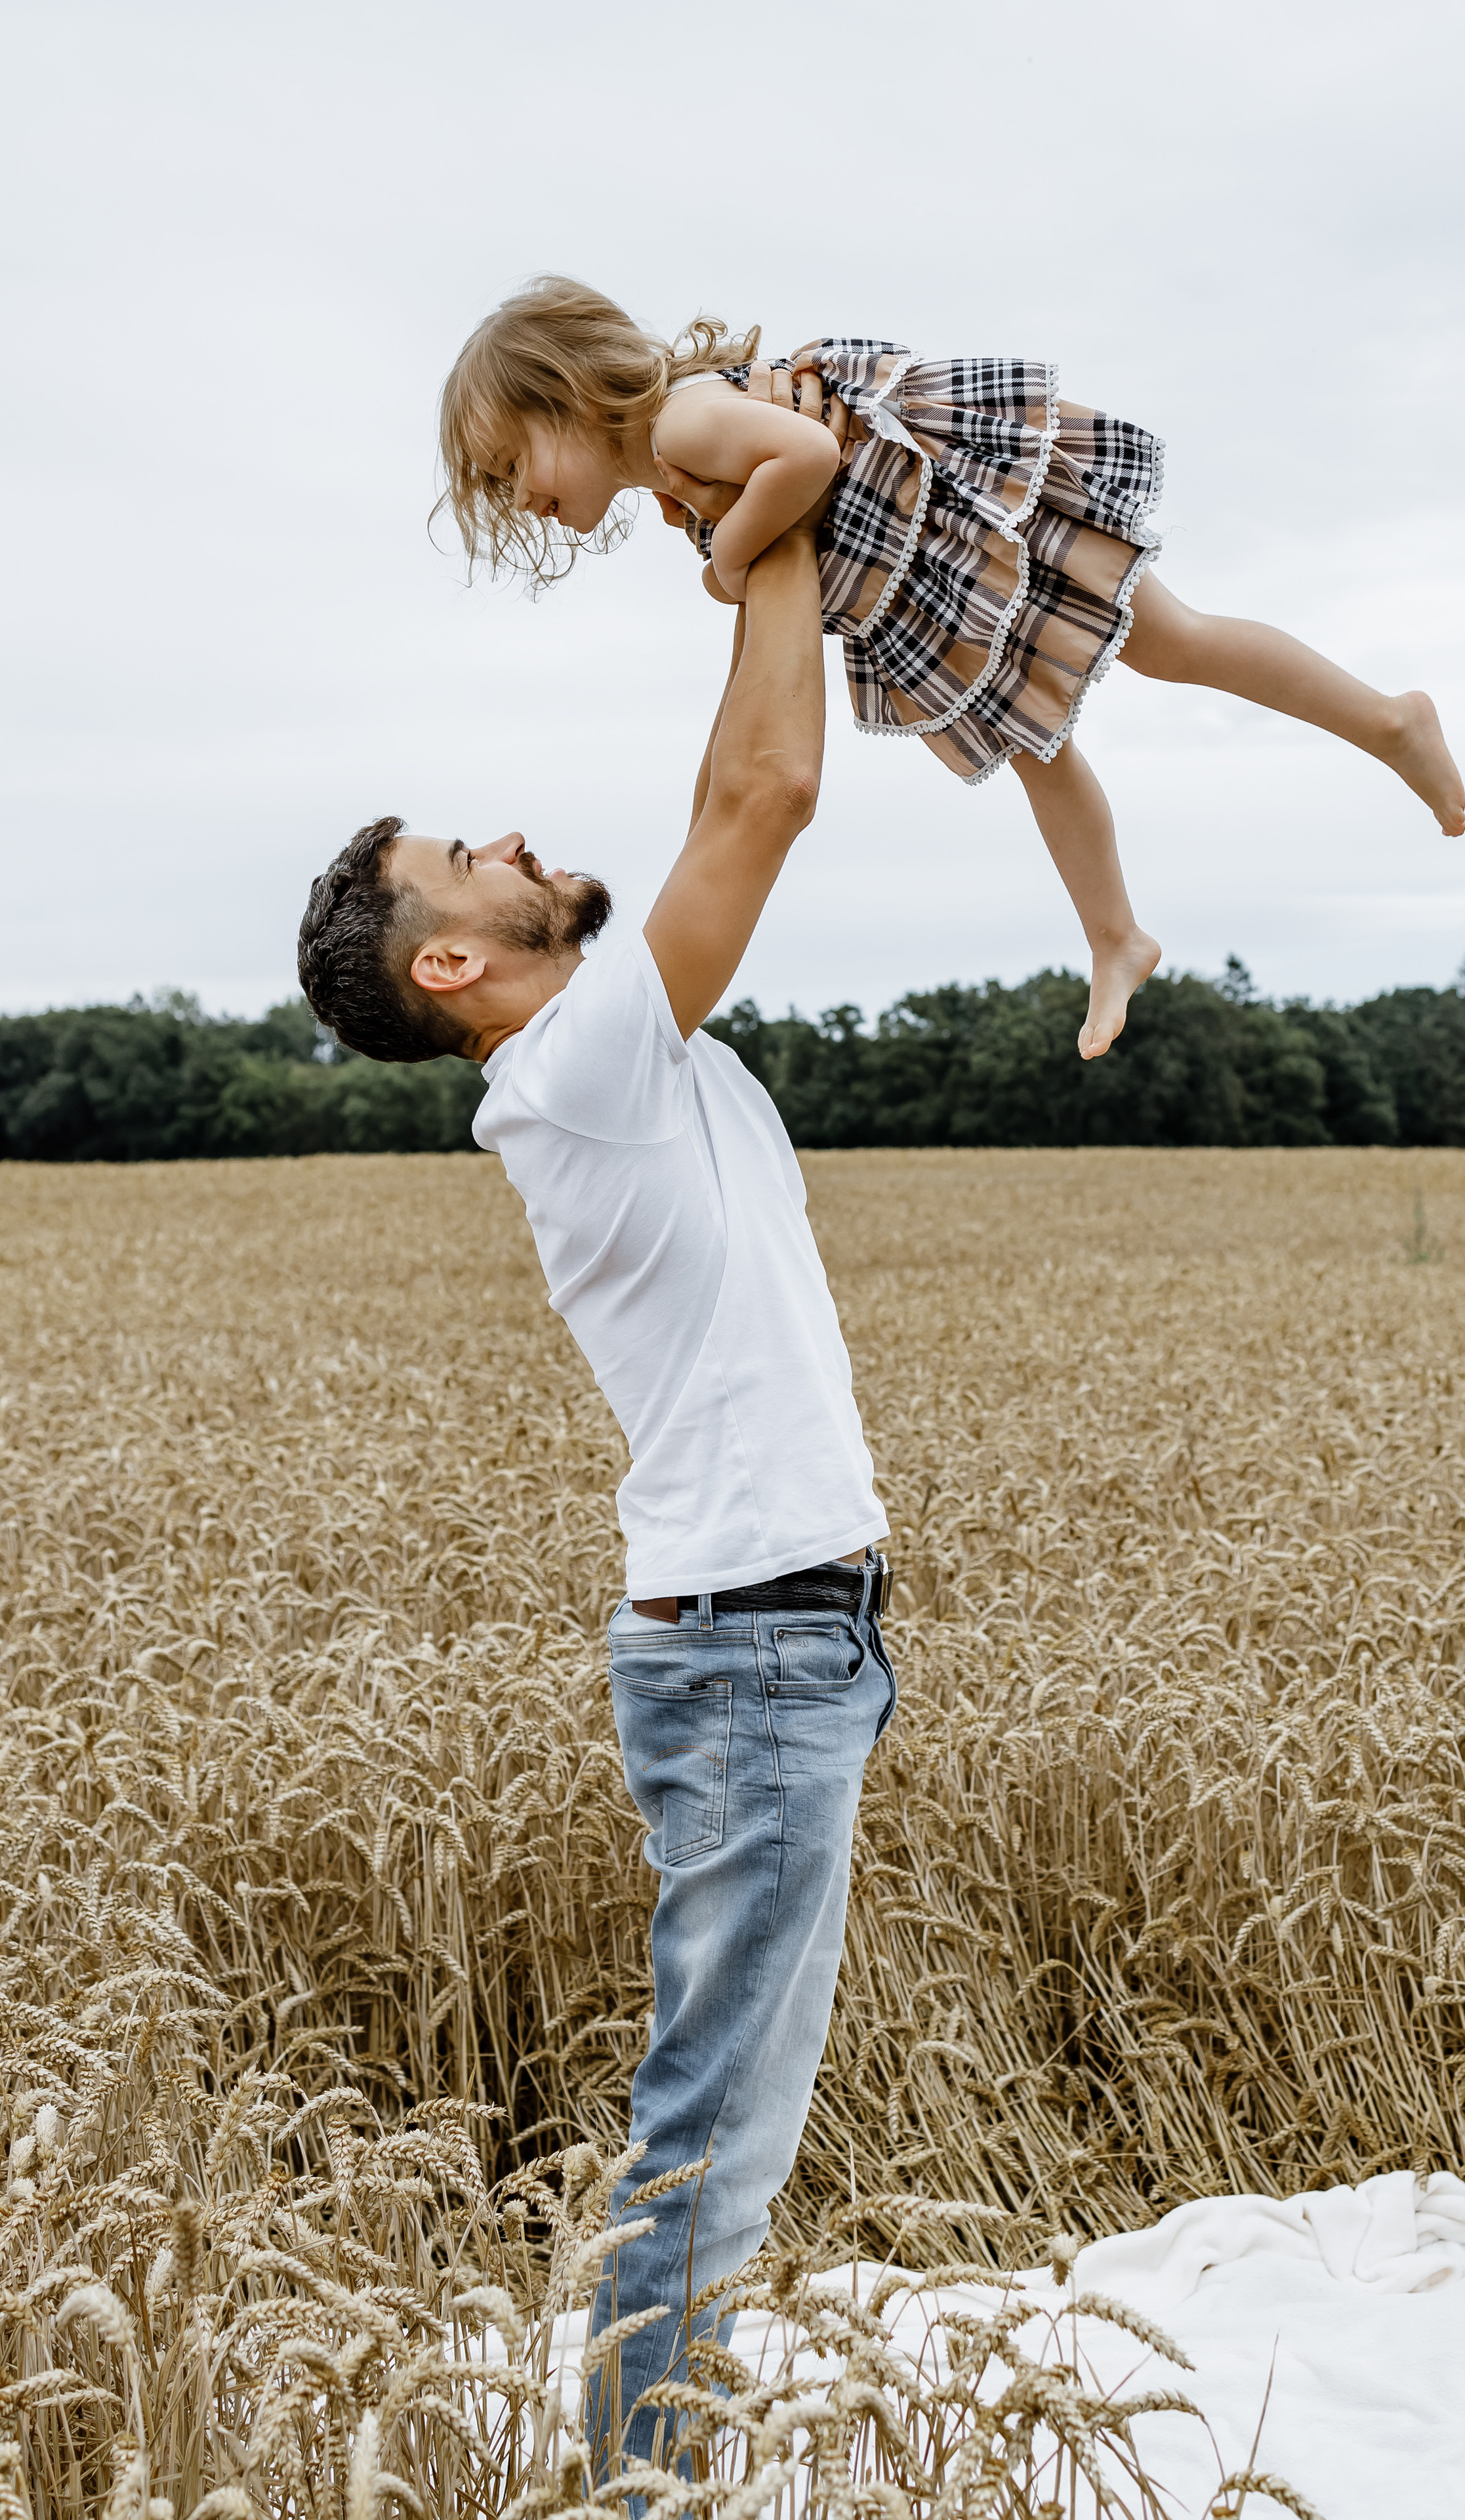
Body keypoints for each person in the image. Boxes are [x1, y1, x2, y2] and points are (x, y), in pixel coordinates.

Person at [295, 430, 893, 2492]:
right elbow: (768, 795)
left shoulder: (600, 1056)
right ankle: (644, 2487)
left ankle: (650, 2462)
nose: (519, 839)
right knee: (715, 2140)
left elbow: (740, 771)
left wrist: (748, 556)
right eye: (470, 860)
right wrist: (783, 516)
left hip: (773, 1643)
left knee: (722, 2127)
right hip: (751, 1656)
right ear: (454, 966)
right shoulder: (579, 1066)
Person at [435, 276, 1465, 1061]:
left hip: (957, 524)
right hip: (923, 571)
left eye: (508, 464)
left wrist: (734, 557)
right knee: (1039, 746)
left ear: (564, 395)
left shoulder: (681, 420)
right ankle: (1115, 938)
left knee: (1172, 643)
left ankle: (1388, 722)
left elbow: (808, 457)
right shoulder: (669, 467)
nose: (516, 497)